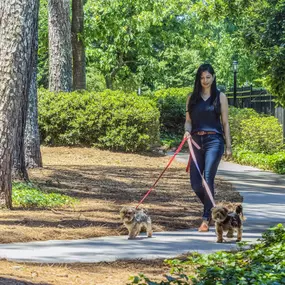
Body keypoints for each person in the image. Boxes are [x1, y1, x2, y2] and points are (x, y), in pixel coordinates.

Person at [184, 63, 232, 232]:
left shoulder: (220, 97)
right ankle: (213, 207)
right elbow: (188, 122)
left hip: (214, 141)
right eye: (202, 77)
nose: (205, 80)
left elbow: (225, 123)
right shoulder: (192, 97)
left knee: (208, 178)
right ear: (198, 78)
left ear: (213, 78)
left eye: (208, 77)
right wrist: (187, 132)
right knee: (196, 184)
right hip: (196, 141)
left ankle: (206, 219)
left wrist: (228, 146)